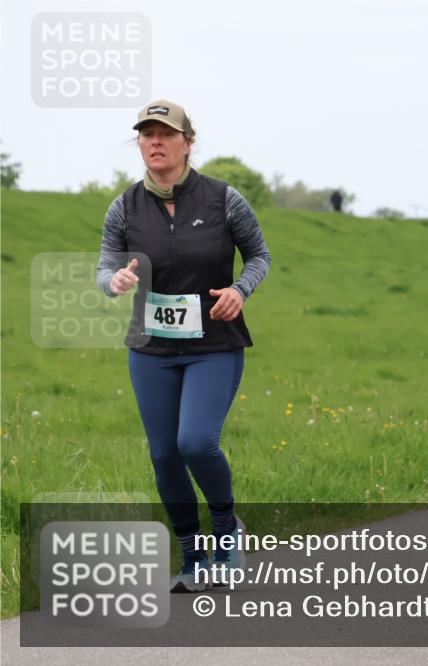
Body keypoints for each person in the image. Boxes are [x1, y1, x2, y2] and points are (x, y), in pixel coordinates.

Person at [96, 99, 271, 592]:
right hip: (150, 349)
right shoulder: (124, 207)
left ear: (187, 142)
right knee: (164, 455)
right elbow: (105, 266)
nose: (155, 141)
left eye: (165, 133)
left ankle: (226, 529)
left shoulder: (223, 199)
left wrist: (239, 290)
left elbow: (259, 254)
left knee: (195, 442)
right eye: (147, 134)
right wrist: (114, 283)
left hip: (213, 344)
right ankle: (193, 556)